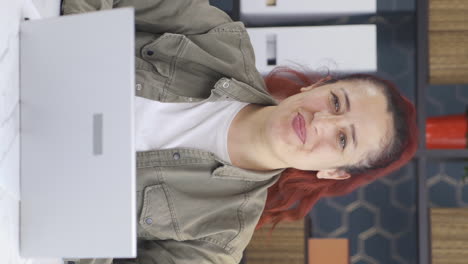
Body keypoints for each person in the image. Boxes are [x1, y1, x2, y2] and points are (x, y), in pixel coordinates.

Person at [61, 1, 418, 264]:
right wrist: (72, 46)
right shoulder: (218, 37)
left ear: (333, 172)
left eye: (342, 140)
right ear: (317, 86)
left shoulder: (219, 241)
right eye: (337, 102)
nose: (320, 122)